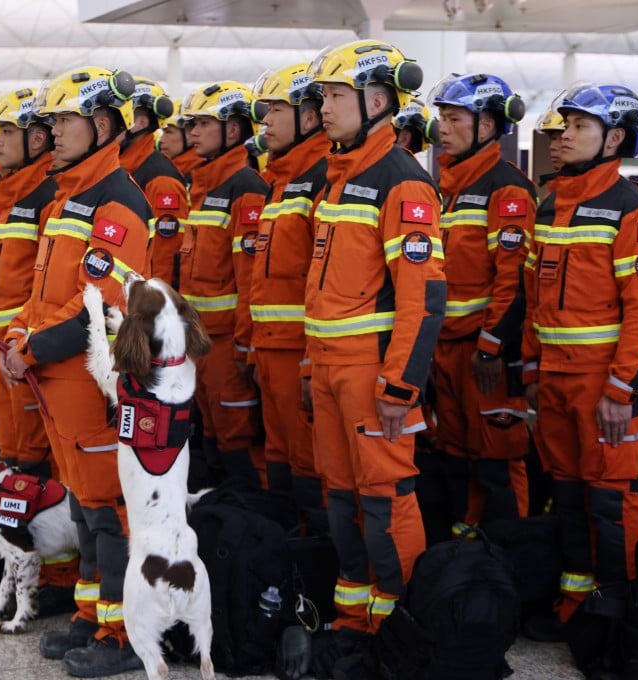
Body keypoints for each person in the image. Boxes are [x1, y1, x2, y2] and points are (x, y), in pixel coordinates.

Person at [0, 66, 150, 677]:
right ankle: (92, 615)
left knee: (110, 508)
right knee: (86, 505)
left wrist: (28, 348)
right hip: (57, 381)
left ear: (103, 124)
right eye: (52, 121)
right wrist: (18, 335)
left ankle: (124, 634)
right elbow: (43, 295)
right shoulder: (70, 196)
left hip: (92, 379)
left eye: (63, 121)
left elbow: (100, 305)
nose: (52, 132)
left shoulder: (119, 201)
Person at [303, 40, 445, 658]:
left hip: (373, 375)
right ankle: (355, 617)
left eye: (336, 96)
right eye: (325, 97)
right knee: (340, 499)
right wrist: (312, 364)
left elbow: (423, 299)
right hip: (332, 371)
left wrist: (399, 386)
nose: (324, 109)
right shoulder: (338, 179)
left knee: (386, 500)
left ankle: (401, 626)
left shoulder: (403, 182)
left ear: (379, 100)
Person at [521, 83, 638, 640]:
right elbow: (535, 296)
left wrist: (619, 389)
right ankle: (576, 602)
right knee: (570, 494)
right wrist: (532, 369)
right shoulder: (551, 205)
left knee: (612, 500)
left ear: (615, 138)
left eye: (579, 127)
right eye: (565, 126)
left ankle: (624, 613)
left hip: (603, 386)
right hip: (555, 379)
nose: (564, 135)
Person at [428, 74, 535, 536]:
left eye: (454, 119)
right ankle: (465, 548)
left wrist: (492, 346)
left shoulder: (507, 190)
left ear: (489, 126)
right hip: (446, 349)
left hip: (484, 353)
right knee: (455, 455)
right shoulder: (445, 188)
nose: (442, 130)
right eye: (441, 119)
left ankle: (513, 557)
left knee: (497, 460)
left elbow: (515, 279)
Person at [248, 61, 331, 532]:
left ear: (310, 116)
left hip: (301, 351)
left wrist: (307, 362)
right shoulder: (280, 180)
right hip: (270, 347)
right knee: (278, 460)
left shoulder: (321, 177)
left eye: (277, 109)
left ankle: (321, 572)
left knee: (310, 469)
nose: (267, 121)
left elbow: (324, 282)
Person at [179, 80, 269, 487]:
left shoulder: (246, 188)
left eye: (202, 123)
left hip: (229, 342)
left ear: (233, 130)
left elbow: (250, 278)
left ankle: (251, 518)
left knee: (237, 439)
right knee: (212, 435)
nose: (192, 133)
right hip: (201, 341)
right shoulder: (205, 186)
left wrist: (245, 342)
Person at [0, 88, 56, 471]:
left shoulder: (47, 197)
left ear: (36, 138)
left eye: (6, 131)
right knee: (9, 448)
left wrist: (25, 344)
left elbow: (49, 285)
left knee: (33, 454)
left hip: (27, 351)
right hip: (3, 347)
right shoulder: (15, 197)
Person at [117, 78, 189, 288]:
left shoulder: (161, 179)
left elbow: (163, 259)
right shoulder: (125, 169)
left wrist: (152, 311)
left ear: (140, 123)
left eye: (122, 115)